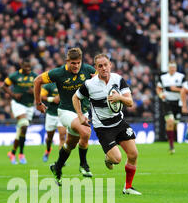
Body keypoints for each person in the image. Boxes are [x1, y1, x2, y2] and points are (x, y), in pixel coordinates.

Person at [72, 53, 141, 195]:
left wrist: (119, 97)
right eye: (100, 66)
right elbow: (75, 97)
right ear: (96, 68)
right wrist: (80, 115)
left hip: (119, 122)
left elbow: (130, 102)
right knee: (117, 159)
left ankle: (128, 187)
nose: (104, 68)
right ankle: (108, 158)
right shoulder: (90, 85)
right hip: (103, 127)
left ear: (110, 65)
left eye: (106, 65)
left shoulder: (118, 79)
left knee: (133, 154)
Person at [34, 47, 96, 186]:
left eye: (78, 63)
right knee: (86, 131)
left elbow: (102, 81)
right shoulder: (58, 73)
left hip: (83, 111)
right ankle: (83, 165)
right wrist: (38, 103)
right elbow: (37, 80)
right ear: (67, 61)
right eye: (73, 63)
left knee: (70, 144)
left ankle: (57, 167)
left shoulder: (88, 70)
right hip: (66, 112)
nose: (76, 66)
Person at [3, 59, 37, 164]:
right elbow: (4, 86)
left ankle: (12, 153)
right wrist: (13, 95)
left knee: (22, 130)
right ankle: (21, 154)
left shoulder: (34, 76)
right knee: (24, 124)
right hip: (18, 104)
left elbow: (40, 88)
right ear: (21, 66)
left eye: (29, 68)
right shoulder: (14, 76)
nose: (28, 70)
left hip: (30, 106)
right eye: (26, 68)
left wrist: (34, 91)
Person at [156, 62, 185, 154]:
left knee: (175, 124)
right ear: (168, 68)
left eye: (174, 67)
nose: (172, 69)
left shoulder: (181, 77)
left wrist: (174, 89)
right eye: (171, 68)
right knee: (170, 122)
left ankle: (173, 139)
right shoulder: (163, 77)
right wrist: (160, 94)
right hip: (167, 102)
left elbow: (185, 90)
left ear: (176, 68)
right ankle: (171, 146)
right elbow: (158, 88)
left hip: (178, 103)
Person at [40, 82, 67, 162]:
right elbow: (41, 96)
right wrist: (52, 99)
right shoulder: (48, 85)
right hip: (51, 114)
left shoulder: (67, 84)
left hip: (62, 114)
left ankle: (61, 159)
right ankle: (48, 150)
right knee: (49, 138)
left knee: (62, 136)